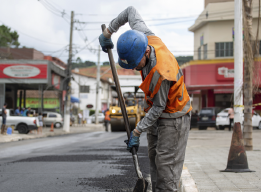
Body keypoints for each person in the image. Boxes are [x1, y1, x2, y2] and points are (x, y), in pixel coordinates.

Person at [99, 6, 192, 192]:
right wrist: (109, 31)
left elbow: (159, 107)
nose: (134, 68)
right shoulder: (143, 36)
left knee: (166, 171)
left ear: (146, 53)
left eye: (136, 64)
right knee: (154, 163)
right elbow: (130, 11)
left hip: (174, 118)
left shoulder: (162, 72)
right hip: (157, 114)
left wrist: (137, 131)